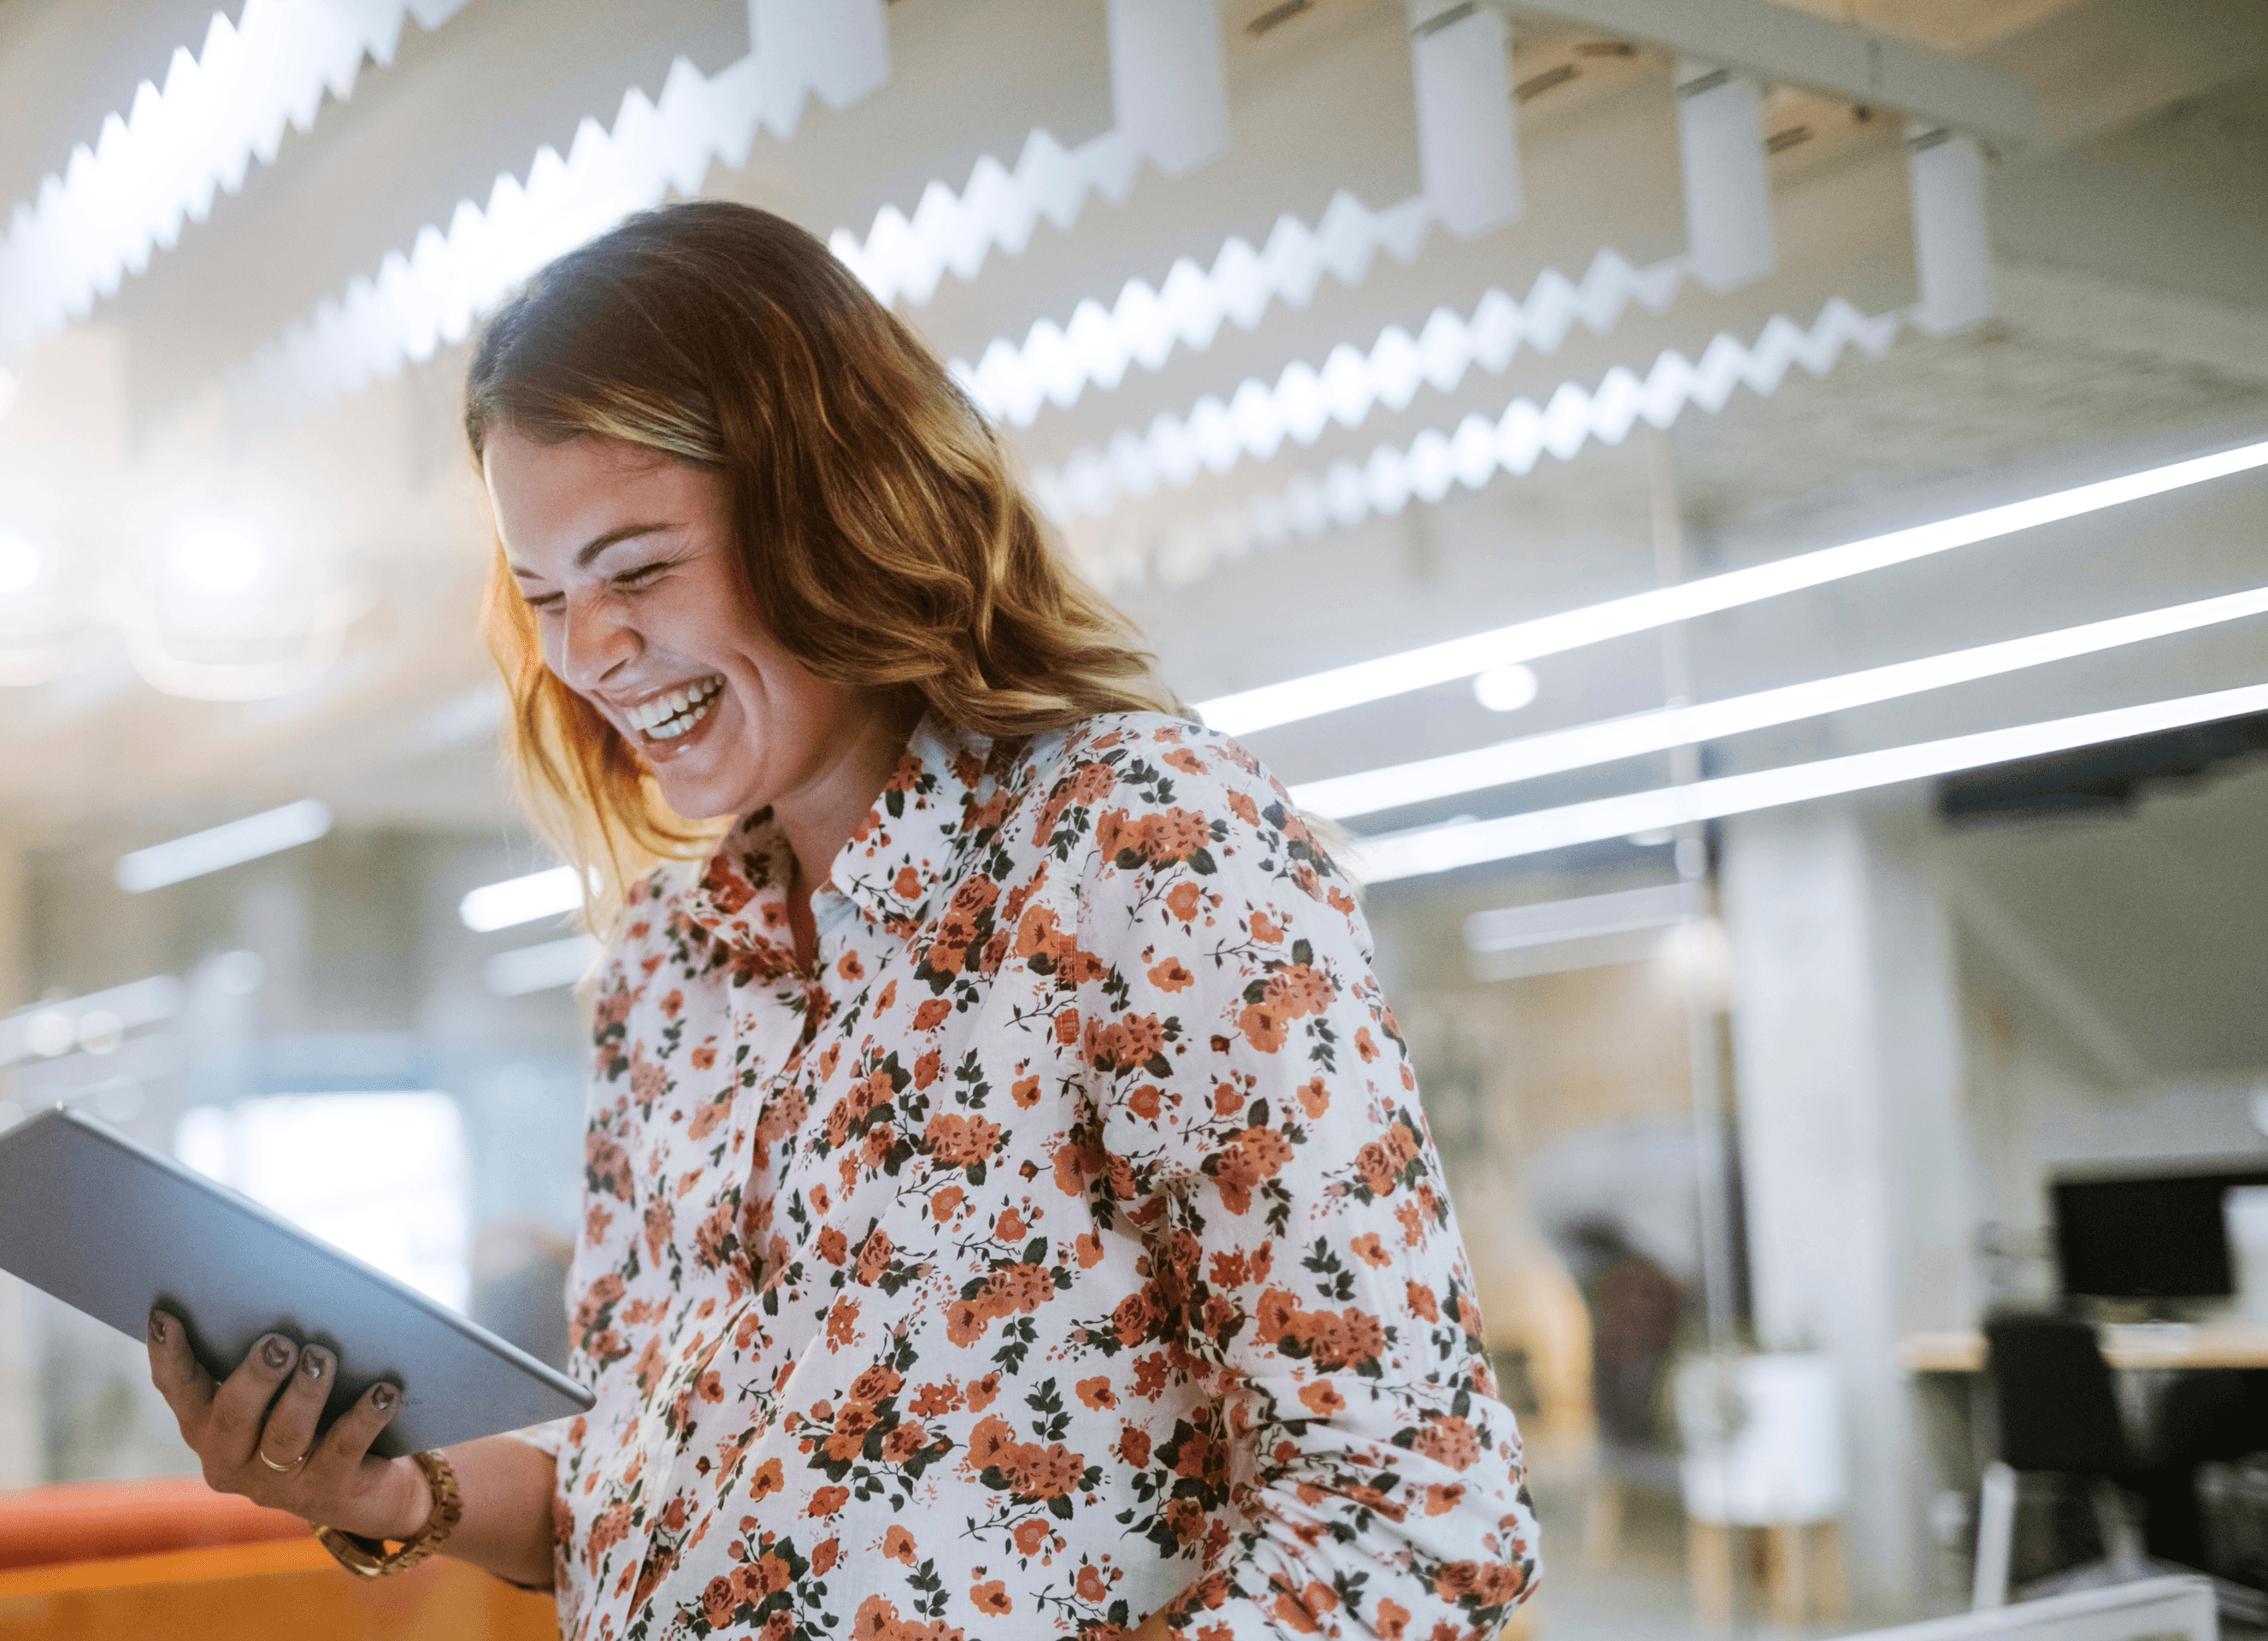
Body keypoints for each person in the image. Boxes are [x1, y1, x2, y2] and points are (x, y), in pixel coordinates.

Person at [146, 199, 1540, 1640]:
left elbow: (1413, 1527)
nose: (589, 654)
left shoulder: (1142, 846)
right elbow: (639, 1487)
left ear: (834, 510)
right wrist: (397, 1492)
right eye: (546, 594)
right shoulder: (664, 964)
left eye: (638, 571)